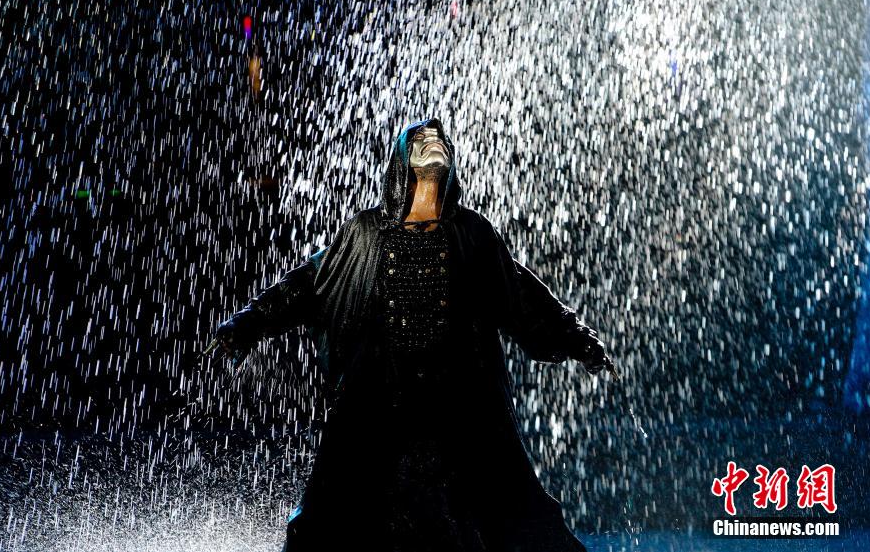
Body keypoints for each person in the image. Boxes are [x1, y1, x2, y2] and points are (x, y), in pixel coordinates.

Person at [212, 117, 618, 552]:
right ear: (402, 160)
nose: (432, 141)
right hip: (378, 405)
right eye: (421, 139)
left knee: (499, 517)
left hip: (459, 407)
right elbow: (308, 283)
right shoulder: (364, 232)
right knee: (336, 517)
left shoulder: (472, 233)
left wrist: (578, 339)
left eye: (438, 139)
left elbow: (520, 292)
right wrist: (247, 323)